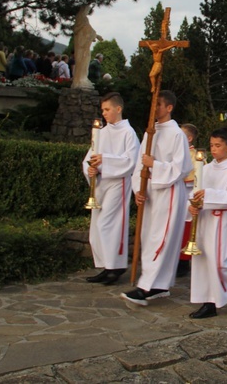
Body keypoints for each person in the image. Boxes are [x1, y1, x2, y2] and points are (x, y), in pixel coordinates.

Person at [122, 90, 192, 306]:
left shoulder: (177, 134)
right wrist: (138, 190)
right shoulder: (150, 132)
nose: (154, 109)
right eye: (153, 105)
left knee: (159, 239)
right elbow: (139, 165)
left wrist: (155, 165)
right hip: (151, 192)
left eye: (158, 105)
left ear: (169, 108)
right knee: (148, 236)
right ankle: (159, 285)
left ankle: (145, 287)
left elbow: (182, 168)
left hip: (168, 192)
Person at [186, 128, 227, 318]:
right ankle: (208, 303)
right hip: (204, 219)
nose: (213, 149)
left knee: (219, 262)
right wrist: (192, 204)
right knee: (202, 261)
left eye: (218, 146)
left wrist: (208, 196)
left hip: (220, 220)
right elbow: (195, 189)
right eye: (212, 145)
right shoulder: (205, 167)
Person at [83, 93, 140, 286]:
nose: (104, 113)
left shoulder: (128, 133)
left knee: (109, 223)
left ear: (118, 109)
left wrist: (105, 161)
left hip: (117, 182)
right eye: (103, 110)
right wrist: (90, 168)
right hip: (100, 183)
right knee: (97, 225)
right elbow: (89, 157)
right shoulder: (102, 132)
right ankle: (106, 266)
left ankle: (116, 265)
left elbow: (131, 161)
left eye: (107, 109)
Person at [177, 123, 201, 279]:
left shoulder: (195, 156)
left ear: (190, 138)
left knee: (185, 230)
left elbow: (196, 179)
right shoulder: (176, 154)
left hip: (187, 195)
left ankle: (183, 262)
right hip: (174, 196)